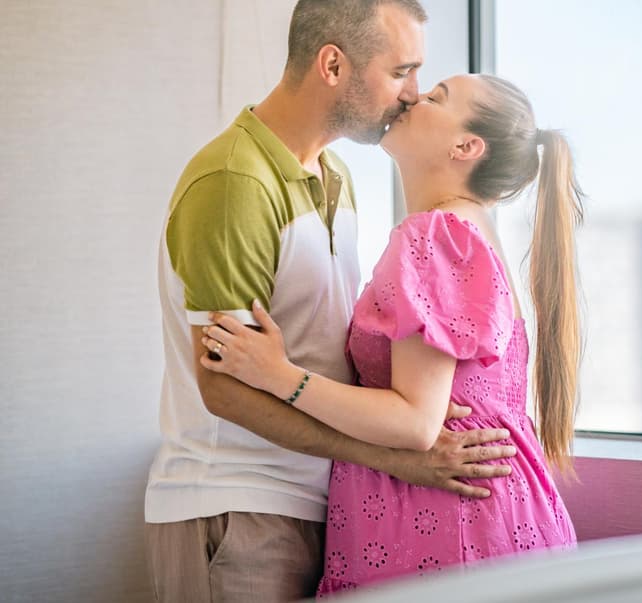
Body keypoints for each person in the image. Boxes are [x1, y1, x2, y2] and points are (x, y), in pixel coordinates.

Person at [144, 2, 517, 602]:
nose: (413, 96)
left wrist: (416, 412)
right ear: (333, 64)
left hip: (323, 502)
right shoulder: (234, 185)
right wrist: (396, 456)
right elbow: (223, 386)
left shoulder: (336, 175)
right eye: (401, 72)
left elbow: (323, 353)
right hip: (238, 506)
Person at [199, 72, 584, 594]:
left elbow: (415, 424)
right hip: (486, 522)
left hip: (451, 531)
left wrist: (278, 374)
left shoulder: (436, 235)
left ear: (466, 146)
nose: (412, 96)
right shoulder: (468, 233)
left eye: (436, 98)